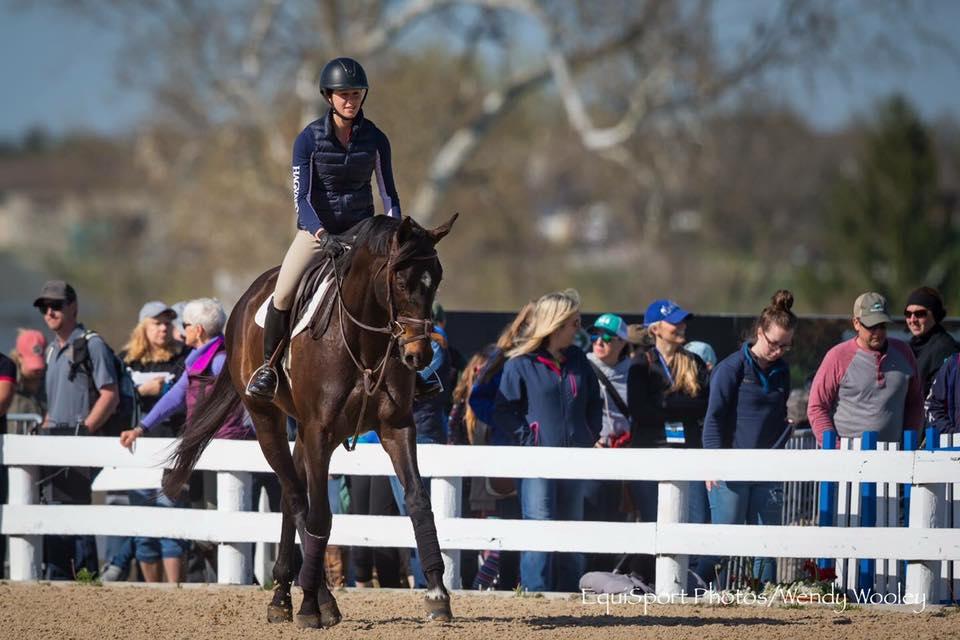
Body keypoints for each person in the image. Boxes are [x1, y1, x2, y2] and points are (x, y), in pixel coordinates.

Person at [246, 56, 402, 401]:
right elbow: (301, 198)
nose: (351, 100)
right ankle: (269, 368)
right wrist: (321, 235)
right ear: (328, 97)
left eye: (357, 94)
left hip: (363, 232)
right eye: (343, 94)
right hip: (318, 232)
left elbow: (388, 192)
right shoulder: (308, 140)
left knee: (399, 285)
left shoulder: (376, 139)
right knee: (284, 292)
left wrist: (394, 235)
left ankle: (411, 371)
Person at [121, 299, 253, 581]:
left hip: (224, 448)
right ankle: (233, 581)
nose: (182, 330)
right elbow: (175, 397)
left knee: (216, 523)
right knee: (204, 523)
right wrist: (142, 427)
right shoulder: (201, 359)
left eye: (186, 325)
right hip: (206, 449)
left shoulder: (220, 361)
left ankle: (243, 582)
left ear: (199, 330)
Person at [493, 289, 603, 592]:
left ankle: (570, 591)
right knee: (538, 528)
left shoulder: (579, 360)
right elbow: (503, 411)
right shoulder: (520, 364)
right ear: (555, 324)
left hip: (575, 460)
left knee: (571, 530)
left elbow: (594, 403)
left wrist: (588, 435)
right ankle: (534, 592)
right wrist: (530, 441)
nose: (578, 329)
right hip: (536, 462)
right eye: (573, 323)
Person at [701, 289, 798, 587]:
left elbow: (779, 414)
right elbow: (713, 418)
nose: (778, 350)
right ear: (759, 333)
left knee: (766, 542)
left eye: (785, 346)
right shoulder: (730, 369)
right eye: (773, 343)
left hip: (768, 468)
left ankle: (763, 596)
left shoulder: (782, 371)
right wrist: (713, 463)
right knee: (724, 537)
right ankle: (699, 589)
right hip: (731, 467)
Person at [102, 301, 191, 583]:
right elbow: (116, 400)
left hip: (170, 446)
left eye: (168, 322)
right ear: (143, 326)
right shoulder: (125, 361)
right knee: (143, 530)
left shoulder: (181, 359)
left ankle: (173, 589)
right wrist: (142, 390)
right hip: (137, 450)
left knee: (171, 524)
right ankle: (151, 594)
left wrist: (161, 389)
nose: (164, 328)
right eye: (157, 322)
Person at [34, 280, 116, 579]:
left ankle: (85, 577)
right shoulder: (52, 351)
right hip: (53, 441)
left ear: (73, 307)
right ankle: (57, 575)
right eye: (45, 307)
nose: (50, 312)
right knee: (53, 508)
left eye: (56, 305)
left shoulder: (90, 344)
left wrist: (85, 433)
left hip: (78, 441)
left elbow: (109, 394)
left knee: (76, 511)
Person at [625, 299, 709, 586]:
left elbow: (703, 406)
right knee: (653, 522)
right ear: (657, 329)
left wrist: (663, 404)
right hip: (650, 454)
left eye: (683, 320)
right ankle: (646, 580)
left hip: (688, 454)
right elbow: (640, 412)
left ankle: (688, 582)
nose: (682, 326)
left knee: (696, 520)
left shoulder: (694, 362)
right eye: (676, 321)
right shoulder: (641, 364)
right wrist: (679, 405)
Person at [807, 292, 923, 446]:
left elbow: (915, 402)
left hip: (894, 459)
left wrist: (909, 445)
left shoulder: (904, 353)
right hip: (846, 459)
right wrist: (835, 448)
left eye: (882, 325)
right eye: (871, 326)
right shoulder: (837, 357)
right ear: (856, 323)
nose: (878, 332)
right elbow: (817, 406)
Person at [903, 286, 959, 396]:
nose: (912, 320)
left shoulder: (945, 349)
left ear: (935, 314)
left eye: (920, 314)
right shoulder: (908, 347)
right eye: (908, 314)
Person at [8, 329, 47, 423]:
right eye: (32, 364)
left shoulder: (51, 382)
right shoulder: (6, 385)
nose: (37, 369)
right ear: (19, 357)